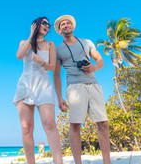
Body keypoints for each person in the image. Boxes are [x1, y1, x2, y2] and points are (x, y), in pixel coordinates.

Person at [53, 15, 111, 164]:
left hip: (93, 84)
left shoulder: (87, 42)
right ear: (60, 30)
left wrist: (94, 67)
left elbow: (100, 60)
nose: (66, 25)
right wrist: (59, 97)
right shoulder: (58, 50)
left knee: (103, 123)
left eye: (68, 23)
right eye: (63, 25)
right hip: (74, 87)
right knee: (75, 125)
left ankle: (107, 162)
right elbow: (57, 75)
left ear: (72, 26)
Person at [13, 17, 63, 164]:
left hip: (43, 84)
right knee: (26, 128)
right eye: (44, 23)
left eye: (49, 24)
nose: (47, 26)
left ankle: (58, 162)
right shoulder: (24, 42)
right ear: (35, 25)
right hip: (25, 84)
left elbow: (53, 67)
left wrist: (40, 62)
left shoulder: (50, 44)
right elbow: (19, 56)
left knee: (49, 124)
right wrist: (31, 36)